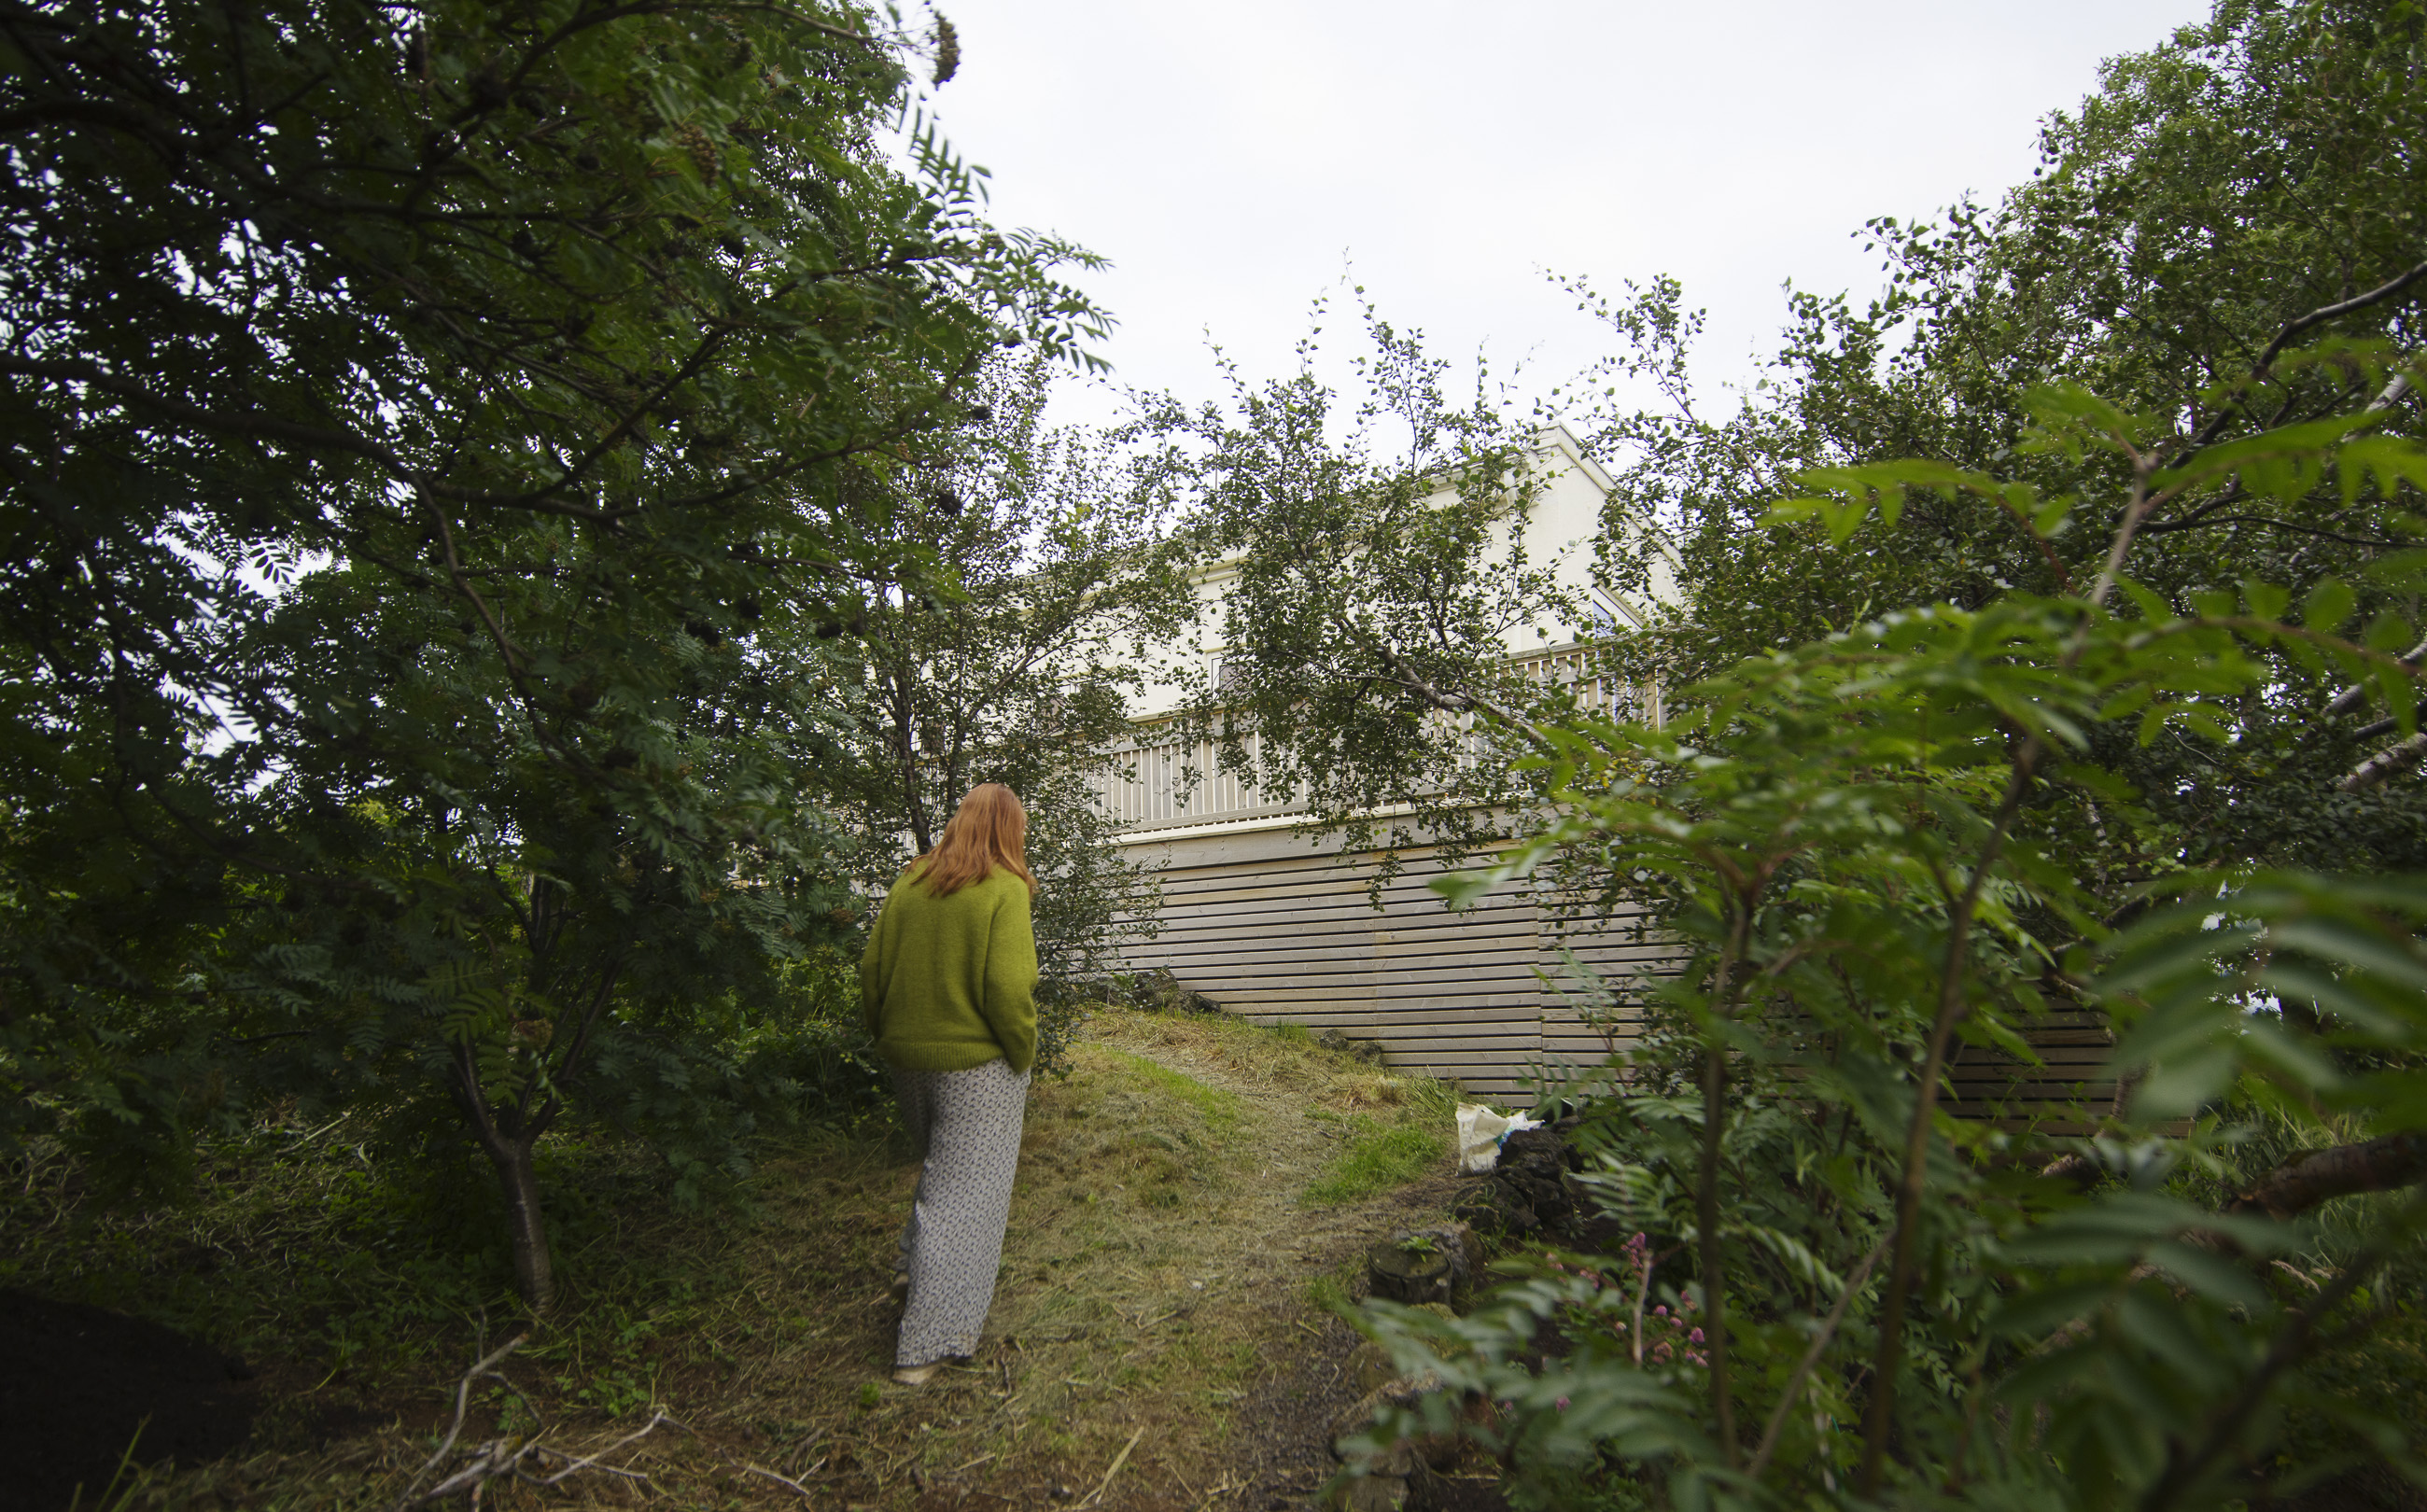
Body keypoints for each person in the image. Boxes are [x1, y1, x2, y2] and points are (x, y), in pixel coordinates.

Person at [859, 782, 1040, 1387]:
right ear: (1010, 829)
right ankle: (925, 1349)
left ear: (960, 821)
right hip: (976, 1068)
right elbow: (1008, 989)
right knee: (968, 1198)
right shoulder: (1005, 887)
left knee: (943, 1174)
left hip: (906, 1059)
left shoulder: (911, 882)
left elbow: (872, 971)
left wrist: (890, 1036)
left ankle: (911, 1266)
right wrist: (1023, 1052)